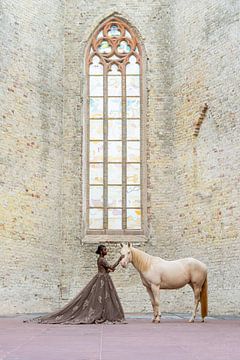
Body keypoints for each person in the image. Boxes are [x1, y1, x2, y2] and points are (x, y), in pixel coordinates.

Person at [30, 245, 125, 324]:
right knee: (101, 298)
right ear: (101, 251)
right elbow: (111, 267)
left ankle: (102, 314)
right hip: (102, 281)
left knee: (103, 298)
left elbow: (107, 270)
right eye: (105, 250)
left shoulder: (101, 259)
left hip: (103, 279)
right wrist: (119, 259)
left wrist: (109, 270)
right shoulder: (102, 260)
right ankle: (100, 314)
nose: (106, 251)